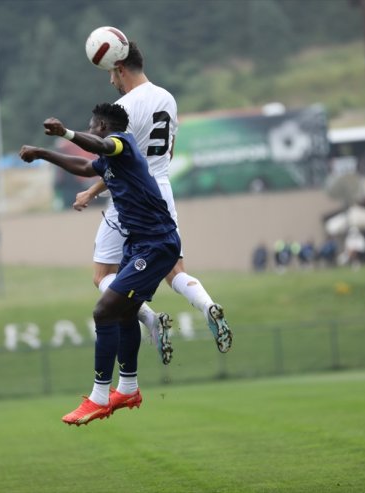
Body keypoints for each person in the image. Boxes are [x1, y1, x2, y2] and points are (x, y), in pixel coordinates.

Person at [20, 103, 181, 426]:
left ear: (104, 126)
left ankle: (98, 397)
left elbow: (102, 145)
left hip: (156, 245)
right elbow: (84, 165)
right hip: (141, 245)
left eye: (93, 126)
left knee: (103, 311)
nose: (90, 130)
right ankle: (129, 389)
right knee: (122, 311)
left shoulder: (121, 142)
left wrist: (65, 133)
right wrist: (43, 154)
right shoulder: (110, 159)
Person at [73, 40, 232, 361]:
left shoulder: (127, 108)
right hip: (163, 191)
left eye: (111, 75)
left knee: (103, 276)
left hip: (131, 199)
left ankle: (150, 318)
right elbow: (167, 152)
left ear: (119, 68)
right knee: (173, 268)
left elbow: (123, 161)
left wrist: (91, 190)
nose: (111, 82)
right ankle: (207, 304)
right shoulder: (167, 98)